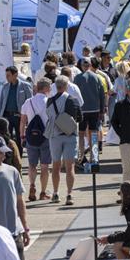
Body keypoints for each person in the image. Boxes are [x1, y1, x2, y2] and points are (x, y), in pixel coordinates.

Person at [46, 76, 83, 205]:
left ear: (56, 86)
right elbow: (80, 118)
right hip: (70, 135)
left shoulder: (50, 101)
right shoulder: (72, 100)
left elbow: (49, 115)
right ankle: (69, 194)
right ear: (67, 86)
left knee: (55, 166)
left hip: (54, 135)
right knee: (69, 167)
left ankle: (55, 193)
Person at [20, 78, 52, 202]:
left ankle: (32, 185)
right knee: (44, 166)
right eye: (49, 87)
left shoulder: (28, 102)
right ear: (44, 88)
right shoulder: (49, 102)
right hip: (46, 137)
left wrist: (22, 135)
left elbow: (22, 121)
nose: (50, 90)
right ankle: (43, 192)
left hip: (31, 137)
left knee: (32, 165)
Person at [74, 58, 105, 164]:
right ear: (91, 65)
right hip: (95, 110)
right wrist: (102, 110)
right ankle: (94, 157)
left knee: (81, 134)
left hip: (82, 110)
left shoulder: (77, 78)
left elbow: (75, 95)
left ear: (82, 66)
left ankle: (82, 157)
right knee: (94, 134)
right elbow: (102, 94)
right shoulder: (96, 77)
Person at [0, 66, 33, 151]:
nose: (7, 77)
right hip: (7, 116)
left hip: (19, 117)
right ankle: (9, 156)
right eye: (6, 75)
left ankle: (18, 156)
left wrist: (28, 116)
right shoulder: (5, 86)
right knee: (7, 137)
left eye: (8, 75)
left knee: (19, 137)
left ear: (15, 75)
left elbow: (30, 102)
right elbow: (1, 102)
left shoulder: (25, 86)